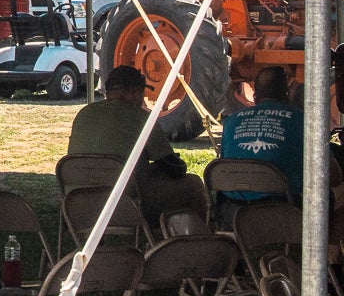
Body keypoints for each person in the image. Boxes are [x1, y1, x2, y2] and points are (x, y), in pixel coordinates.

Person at [67, 64, 207, 221]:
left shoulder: (83, 114)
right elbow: (174, 169)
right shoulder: (142, 119)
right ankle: (197, 238)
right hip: (126, 203)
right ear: (135, 92)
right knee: (193, 184)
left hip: (78, 203)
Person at [220, 66, 303, 203]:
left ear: (255, 96)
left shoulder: (230, 122)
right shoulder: (302, 120)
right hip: (285, 209)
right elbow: (332, 174)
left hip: (234, 209)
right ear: (287, 94)